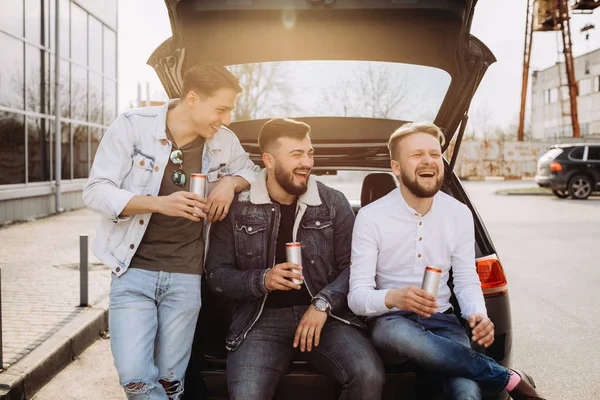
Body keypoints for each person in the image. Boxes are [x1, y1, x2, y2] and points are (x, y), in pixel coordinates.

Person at [83, 64, 259, 400]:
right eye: (221, 109)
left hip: (186, 277)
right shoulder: (133, 126)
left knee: (170, 384)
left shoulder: (224, 141)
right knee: (136, 379)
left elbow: (252, 171)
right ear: (192, 98)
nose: (227, 118)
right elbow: (95, 191)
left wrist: (229, 182)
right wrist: (159, 203)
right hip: (133, 272)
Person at [348, 122, 545, 400]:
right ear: (395, 167)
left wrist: (478, 314)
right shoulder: (371, 217)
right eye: (417, 154)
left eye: (434, 153)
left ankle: (493, 377)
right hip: (391, 324)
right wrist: (395, 297)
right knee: (400, 333)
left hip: (443, 322)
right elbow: (357, 297)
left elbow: (466, 279)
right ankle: (508, 379)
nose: (428, 160)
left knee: (466, 391)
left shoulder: (459, 213)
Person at [204, 117, 385, 400]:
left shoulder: (333, 202)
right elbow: (216, 274)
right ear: (269, 160)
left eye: (309, 153)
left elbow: (356, 267)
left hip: (327, 318)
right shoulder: (239, 207)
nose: (307, 162)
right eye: (296, 154)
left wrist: (323, 304)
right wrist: (262, 279)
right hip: (260, 319)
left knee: (369, 375)